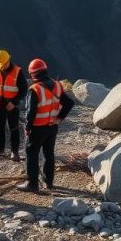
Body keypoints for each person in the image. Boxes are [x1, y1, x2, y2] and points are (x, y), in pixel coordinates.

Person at [17, 58, 74, 193]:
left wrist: (27, 128)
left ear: (32, 74)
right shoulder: (58, 86)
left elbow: (31, 112)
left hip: (37, 128)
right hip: (52, 127)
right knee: (49, 154)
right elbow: (69, 103)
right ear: (45, 70)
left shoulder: (35, 89)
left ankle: (32, 184)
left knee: (31, 154)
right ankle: (48, 183)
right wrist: (60, 118)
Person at [0, 49, 27, 161]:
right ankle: (0, 148)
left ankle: (15, 151)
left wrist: (14, 103)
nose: (1, 66)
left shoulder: (18, 71)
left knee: (14, 127)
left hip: (12, 105)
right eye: (0, 64)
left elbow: (24, 90)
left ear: (8, 60)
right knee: (0, 127)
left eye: (3, 64)